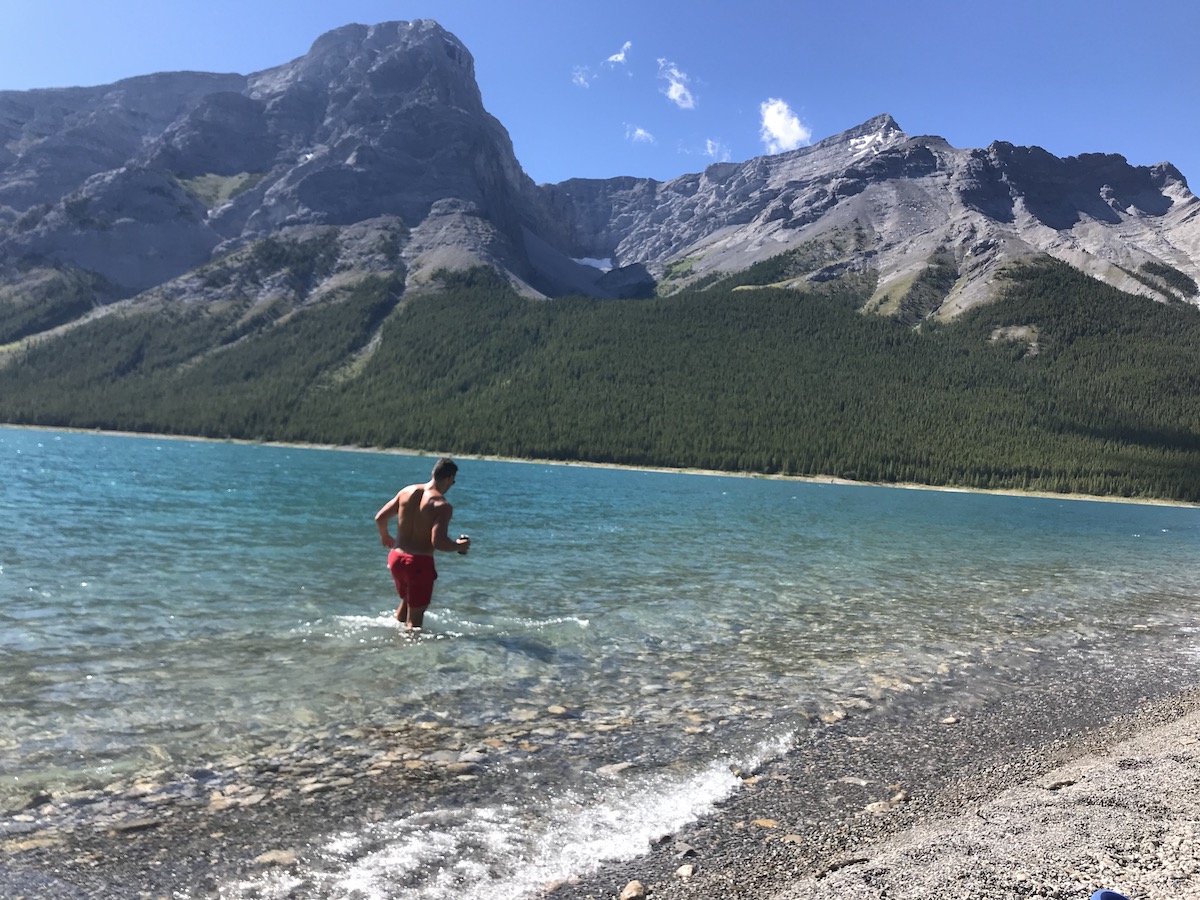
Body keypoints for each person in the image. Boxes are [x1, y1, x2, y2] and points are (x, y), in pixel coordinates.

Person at [374, 457, 470, 630]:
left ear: (433, 473)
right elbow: (438, 542)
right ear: (449, 478)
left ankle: (392, 644)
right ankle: (404, 654)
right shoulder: (441, 505)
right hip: (418, 563)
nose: (451, 485)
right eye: (453, 482)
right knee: (415, 624)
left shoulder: (407, 491)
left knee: (405, 607)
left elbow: (380, 518)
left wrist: (385, 536)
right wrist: (459, 546)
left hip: (396, 558)